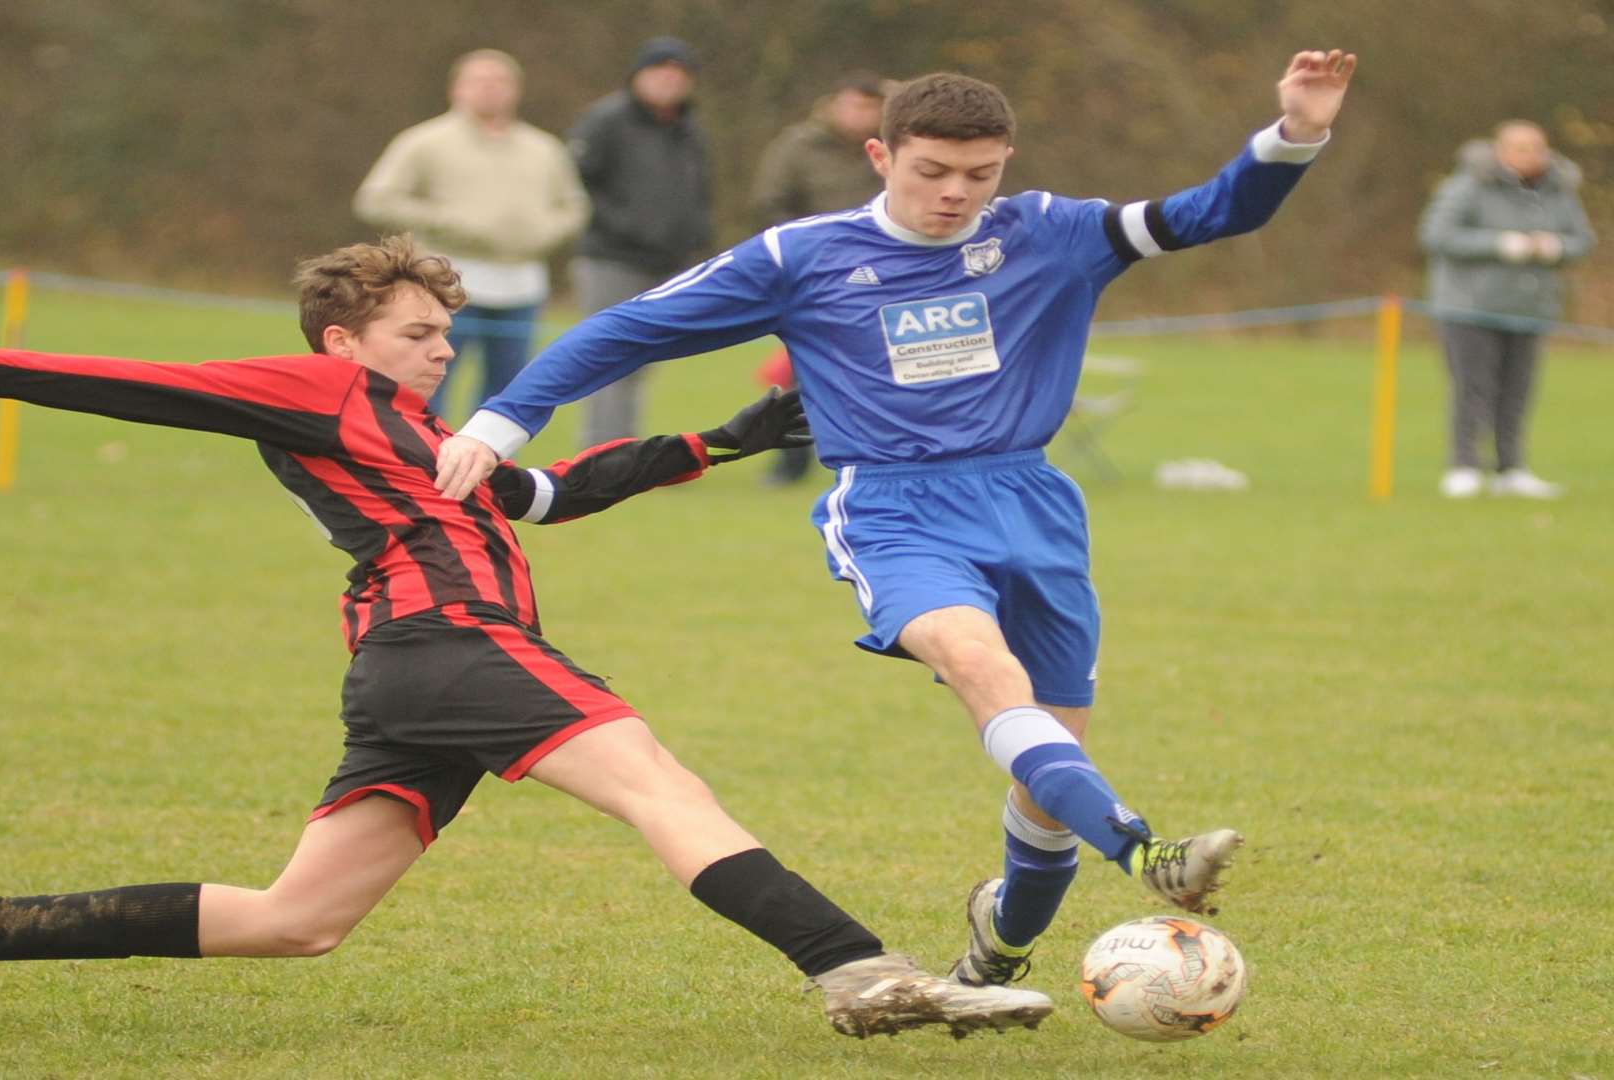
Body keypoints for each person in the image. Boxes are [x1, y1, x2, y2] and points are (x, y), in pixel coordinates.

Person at [0, 235, 1054, 1038]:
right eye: (420, 332)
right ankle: (860, 972)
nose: (442, 349)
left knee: (297, 922)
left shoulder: (434, 443)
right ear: (343, 340)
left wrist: (724, 440)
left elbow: (560, 490)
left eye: (444, 332)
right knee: (656, 783)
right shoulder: (321, 391)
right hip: (450, 641)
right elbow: (152, 386)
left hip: (409, 672)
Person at [436, 52, 1358, 996]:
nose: (957, 194)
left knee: (1046, 785)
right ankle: (1141, 850)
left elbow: (1212, 212)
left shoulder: (1048, 231)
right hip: (894, 507)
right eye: (932, 171)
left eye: (979, 174)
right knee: (979, 666)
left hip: (1033, 505)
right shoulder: (802, 256)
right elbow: (628, 327)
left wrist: (1296, 133)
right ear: (880, 154)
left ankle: (1000, 937)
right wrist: (497, 424)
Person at [353, 49, 590, 422]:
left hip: (520, 286)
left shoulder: (543, 148)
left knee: (509, 390)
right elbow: (376, 199)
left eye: (500, 82)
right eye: (480, 82)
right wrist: (449, 221)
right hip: (444, 283)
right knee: (430, 380)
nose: (490, 90)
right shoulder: (424, 141)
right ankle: (424, 462)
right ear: (457, 89)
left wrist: (543, 232)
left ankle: (489, 470)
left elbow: (574, 207)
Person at [1418, 120, 1596, 500]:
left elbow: (1582, 239)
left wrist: (1556, 247)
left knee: (1518, 391)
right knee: (1472, 388)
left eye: (1537, 147)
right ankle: (1463, 466)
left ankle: (1510, 468)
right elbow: (1437, 234)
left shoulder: (1558, 190)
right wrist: (1500, 244)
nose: (1531, 155)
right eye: (1521, 147)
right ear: (1500, 150)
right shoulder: (1468, 184)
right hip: (1470, 307)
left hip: (1529, 308)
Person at [564, 35, 712, 447]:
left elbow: (698, 191)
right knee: (609, 355)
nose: (669, 81)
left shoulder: (688, 130)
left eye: (678, 74)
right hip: (611, 257)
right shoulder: (605, 121)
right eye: (659, 72)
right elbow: (575, 183)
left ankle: (622, 445)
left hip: (667, 260)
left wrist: (696, 233)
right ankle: (603, 450)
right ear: (638, 76)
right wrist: (621, 223)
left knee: (642, 360)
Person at [748, 71, 888, 486]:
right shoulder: (798, 146)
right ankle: (788, 462)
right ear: (834, 103)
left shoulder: (899, 146)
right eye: (852, 104)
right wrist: (806, 251)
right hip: (816, 276)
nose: (858, 114)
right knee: (803, 371)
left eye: (869, 106)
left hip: (887, 272)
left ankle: (876, 458)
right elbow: (769, 202)